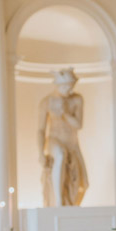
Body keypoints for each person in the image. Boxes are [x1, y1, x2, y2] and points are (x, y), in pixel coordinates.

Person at [37, 67, 88, 207]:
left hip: (72, 142)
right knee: (60, 155)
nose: (69, 90)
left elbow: (78, 124)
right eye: (66, 86)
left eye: (71, 86)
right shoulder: (47, 102)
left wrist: (64, 113)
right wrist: (41, 153)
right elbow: (41, 130)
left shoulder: (77, 99)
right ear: (58, 85)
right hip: (54, 140)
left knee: (84, 184)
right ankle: (58, 203)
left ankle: (69, 204)